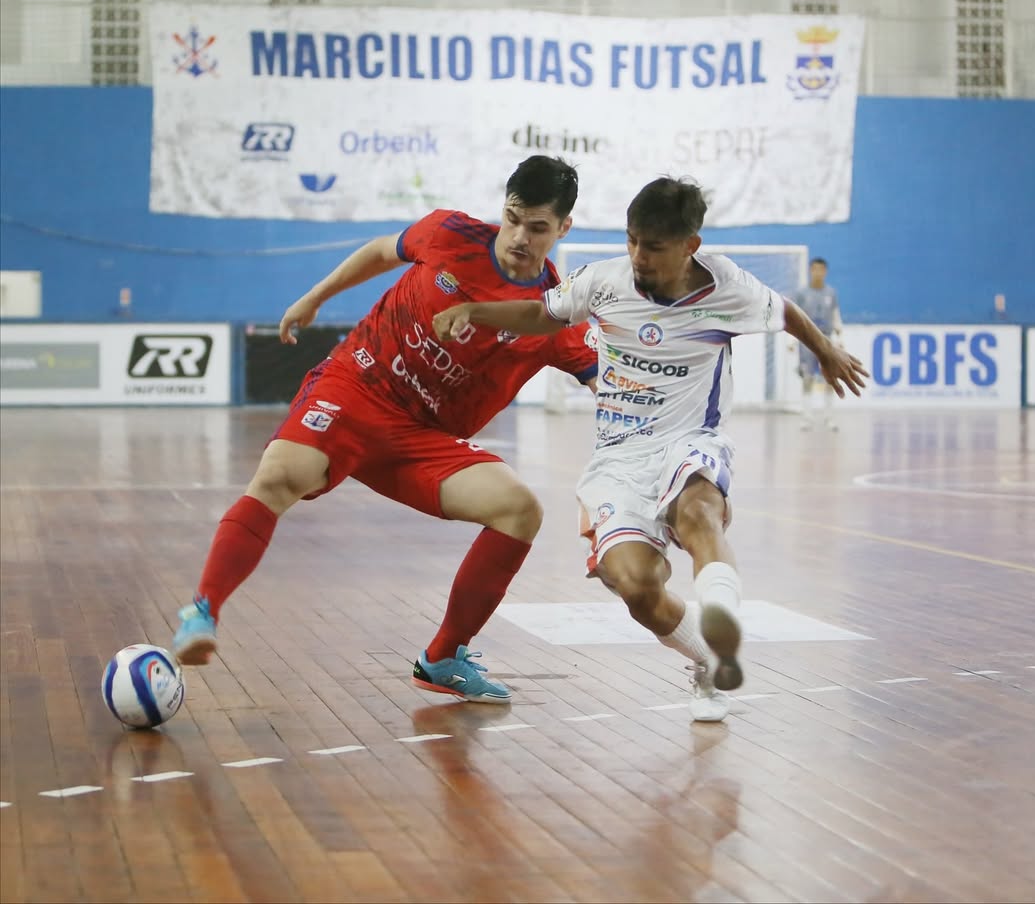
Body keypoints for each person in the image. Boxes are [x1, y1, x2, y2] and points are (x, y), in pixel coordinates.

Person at [432, 176, 867, 722]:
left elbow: (785, 312)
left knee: (699, 511)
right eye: (632, 240)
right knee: (637, 586)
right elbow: (542, 315)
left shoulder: (727, 287)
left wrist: (826, 351)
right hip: (618, 458)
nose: (638, 255)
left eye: (654, 246)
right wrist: (474, 311)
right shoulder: (604, 281)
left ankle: (722, 614)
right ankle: (710, 658)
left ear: (690, 246)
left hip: (690, 440)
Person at [172, 155, 599, 703]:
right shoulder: (450, 233)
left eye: (537, 227)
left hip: (422, 441)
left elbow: (608, 392)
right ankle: (202, 611)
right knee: (282, 474)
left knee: (520, 510)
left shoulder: (555, 315)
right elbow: (380, 251)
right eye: (513, 217)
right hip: (359, 386)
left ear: (563, 228)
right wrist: (316, 297)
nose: (519, 236)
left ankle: (443, 657)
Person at [791, 257, 844, 431]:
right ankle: (807, 418)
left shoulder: (831, 293)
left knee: (831, 378)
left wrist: (839, 337)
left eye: (821, 270)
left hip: (827, 340)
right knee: (807, 378)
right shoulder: (801, 293)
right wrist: (792, 340)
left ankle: (829, 418)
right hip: (807, 341)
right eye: (815, 269)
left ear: (825, 272)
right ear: (810, 271)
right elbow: (794, 317)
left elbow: (836, 315)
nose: (818, 273)